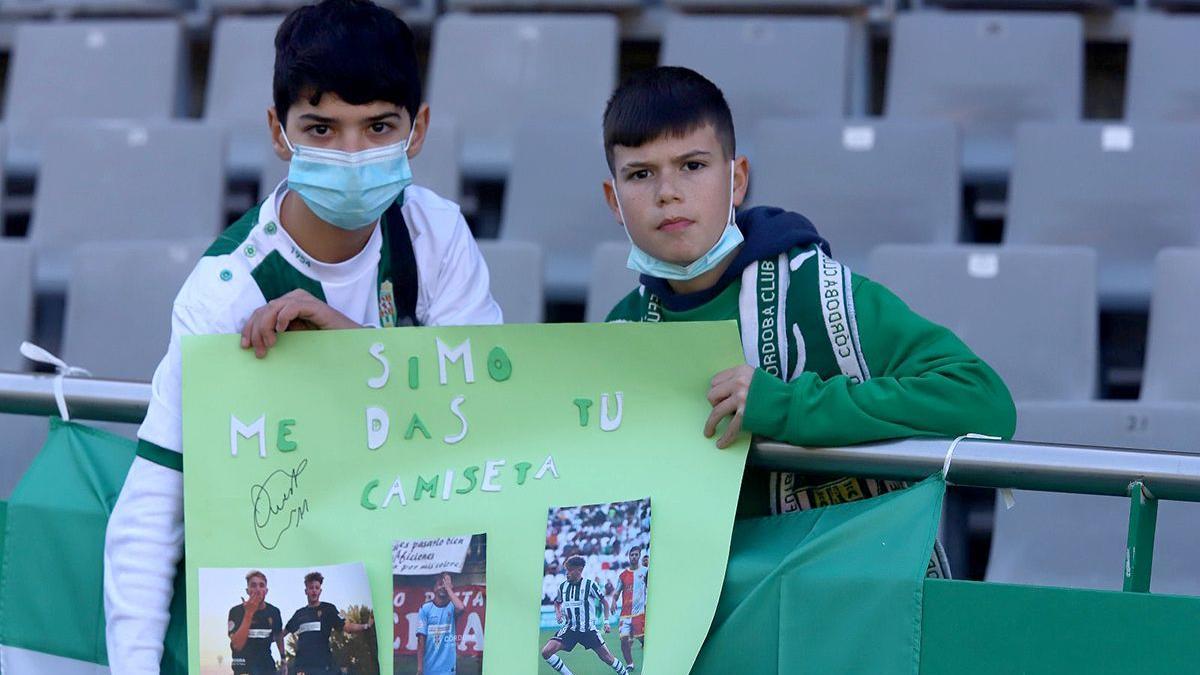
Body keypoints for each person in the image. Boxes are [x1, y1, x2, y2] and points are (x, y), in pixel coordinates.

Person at [102, 1, 502, 670]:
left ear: (419, 129)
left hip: (420, 561)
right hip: (293, 568)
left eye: (378, 127)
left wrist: (350, 347)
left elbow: (485, 423)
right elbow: (151, 508)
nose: (351, 155)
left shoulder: (435, 234)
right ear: (279, 133)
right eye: (321, 128)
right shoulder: (225, 290)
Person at [600, 67, 1016, 574]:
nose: (668, 192)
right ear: (613, 201)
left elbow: (985, 404)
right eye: (641, 174)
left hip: (841, 599)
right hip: (704, 623)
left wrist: (789, 408)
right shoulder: (620, 330)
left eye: (692, 165)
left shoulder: (819, 295)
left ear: (737, 180)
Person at [540, 556, 631, 675]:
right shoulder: (563, 587)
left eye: (570, 570)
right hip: (570, 629)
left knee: (607, 658)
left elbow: (604, 602)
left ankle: (625, 673)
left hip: (588, 630)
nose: (567, 574)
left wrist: (606, 622)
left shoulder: (590, 585)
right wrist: (558, 613)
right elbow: (557, 602)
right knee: (546, 652)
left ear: (579, 570)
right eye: (566, 570)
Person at [284, 572, 374, 675]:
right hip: (303, 667)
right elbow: (282, 633)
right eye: (311, 588)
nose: (314, 591)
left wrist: (366, 625)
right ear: (306, 591)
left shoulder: (329, 609)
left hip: (324, 666)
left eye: (317, 588)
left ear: (320, 591)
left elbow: (347, 627)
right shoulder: (299, 614)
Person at [227, 570, 286, 675]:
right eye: (253, 585)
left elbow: (278, 636)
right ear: (247, 590)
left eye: (261, 585)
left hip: (267, 667)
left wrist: (283, 659)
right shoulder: (236, 611)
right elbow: (237, 645)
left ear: (266, 590)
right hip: (244, 668)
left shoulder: (274, 612)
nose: (258, 589)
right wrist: (249, 613)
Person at [416, 572, 466, 675]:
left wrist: (448, 589)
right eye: (440, 583)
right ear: (434, 588)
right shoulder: (425, 608)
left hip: (448, 669)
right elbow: (421, 641)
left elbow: (461, 608)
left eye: (446, 583)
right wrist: (420, 668)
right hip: (429, 667)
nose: (443, 586)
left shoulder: (452, 607)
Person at [613, 547, 645, 670]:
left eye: (636, 555)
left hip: (639, 614)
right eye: (632, 555)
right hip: (625, 614)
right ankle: (630, 664)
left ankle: (644, 644)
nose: (634, 557)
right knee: (624, 641)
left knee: (642, 637)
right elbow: (616, 592)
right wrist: (613, 602)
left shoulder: (645, 572)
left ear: (640, 556)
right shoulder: (623, 575)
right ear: (629, 557)